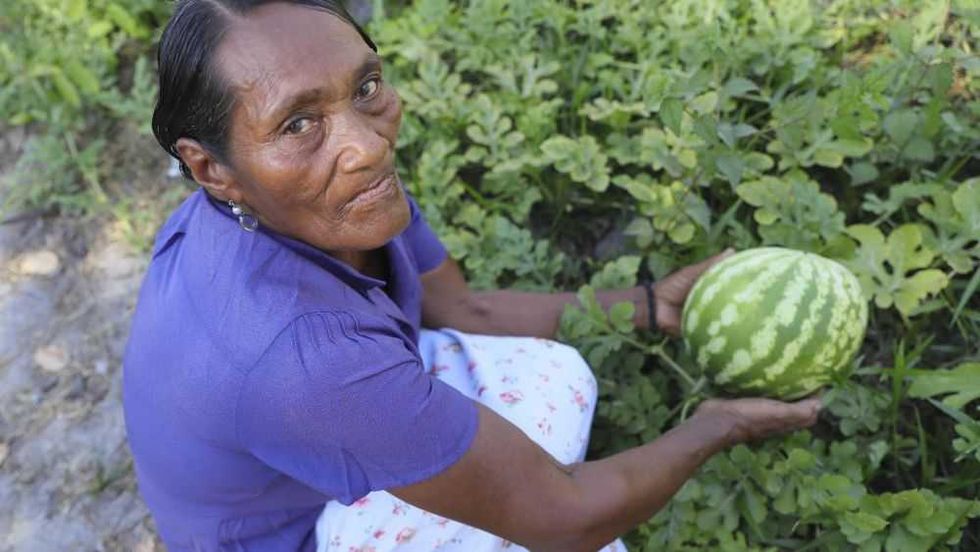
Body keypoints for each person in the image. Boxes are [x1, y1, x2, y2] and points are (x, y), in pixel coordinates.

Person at [122, 1, 823, 551]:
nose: (368, 146)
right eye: (298, 125)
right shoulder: (306, 360)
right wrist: (717, 426)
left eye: (366, 86)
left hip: (308, 435)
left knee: (557, 379)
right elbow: (566, 520)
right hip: (296, 532)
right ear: (210, 167)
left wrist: (647, 304)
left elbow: (461, 309)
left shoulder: (317, 200)